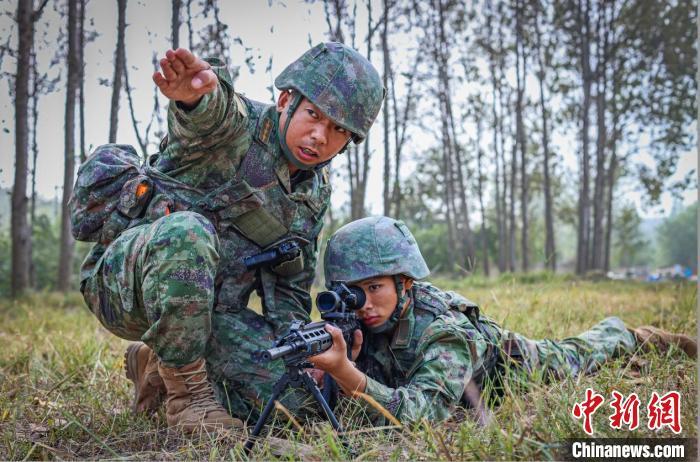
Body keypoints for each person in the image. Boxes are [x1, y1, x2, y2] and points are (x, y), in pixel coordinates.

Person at [74, 43, 384, 432]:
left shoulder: (314, 195)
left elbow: (289, 286)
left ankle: (155, 364)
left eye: (339, 129)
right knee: (188, 232)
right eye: (313, 115)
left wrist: (303, 352)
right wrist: (195, 98)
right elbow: (211, 113)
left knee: (298, 406)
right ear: (286, 100)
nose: (320, 136)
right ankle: (188, 401)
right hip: (125, 286)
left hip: (213, 314)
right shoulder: (237, 127)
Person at [307, 216, 697, 423]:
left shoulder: (445, 334)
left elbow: (422, 413)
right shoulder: (360, 320)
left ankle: (626, 334)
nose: (364, 304)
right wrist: (338, 368)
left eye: (375, 288)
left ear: (404, 282)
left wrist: (348, 373)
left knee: (576, 355)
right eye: (353, 293)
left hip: (512, 365)